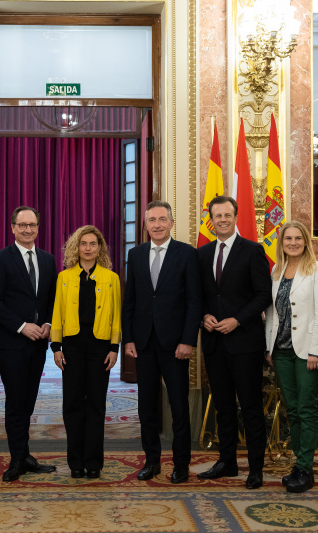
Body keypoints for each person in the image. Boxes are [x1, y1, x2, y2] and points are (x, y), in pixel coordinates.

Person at [122, 200, 201, 484]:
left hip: (175, 344)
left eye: (161, 219)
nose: (156, 225)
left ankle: (181, 464)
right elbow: (129, 300)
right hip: (143, 343)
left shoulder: (187, 254)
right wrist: (128, 339)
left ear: (171, 222)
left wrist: (187, 340)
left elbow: (194, 301)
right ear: (145, 224)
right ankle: (151, 461)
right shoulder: (136, 253)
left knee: (178, 406)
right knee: (146, 406)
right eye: (151, 220)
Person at [197, 195, 271, 489]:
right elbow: (199, 295)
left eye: (227, 215)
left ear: (236, 216)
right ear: (211, 220)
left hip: (245, 343)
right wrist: (203, 316)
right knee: (223, 407)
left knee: (251, 408)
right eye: (217, 216)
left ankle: (255, 469)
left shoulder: (253, 251)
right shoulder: (201, 254)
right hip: (214, 344)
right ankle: (227, 462)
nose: (222, 220)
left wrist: (237, 320)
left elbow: (263, 295)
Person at [0, 206, 57, 482]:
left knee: (29, 400)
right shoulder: (0, 259)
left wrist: (48, 323)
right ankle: (17, 459)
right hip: (11, 343)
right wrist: (21, 326)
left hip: (38, 343)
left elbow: (50, 299)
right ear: (13, 227)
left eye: (33, 225)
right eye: (22, 225)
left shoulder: (48, 260)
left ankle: (25, 453)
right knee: (16, 402)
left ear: (38, 228)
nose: (28, 229)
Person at [264, 220, 318, 493]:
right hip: (281, 352)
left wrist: (316, 350)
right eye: (287, 239)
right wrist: (269, 347)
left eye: (297, 238)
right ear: (281, 243)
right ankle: (299, 464)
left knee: (306, 409)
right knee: (292, 408)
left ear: (306, 242)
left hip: (306, 352)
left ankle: (305, 467)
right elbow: (271, 314)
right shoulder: (276, 271)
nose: (292, 243)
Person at [51, 225, 121, 479]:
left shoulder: (111, 278)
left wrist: (115, 348)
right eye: (84, 244)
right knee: (72, 404)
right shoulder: (64, 277)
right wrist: (56, 347)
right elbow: (57, 312)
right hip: (71, 347)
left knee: (96, 404)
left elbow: (116, 317)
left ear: (100, 247)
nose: (88, 248)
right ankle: (75, 463)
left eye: (93, 244)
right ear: (76, 247)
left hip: (100, 348)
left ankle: (93, 463)